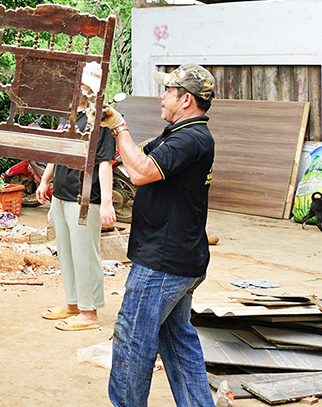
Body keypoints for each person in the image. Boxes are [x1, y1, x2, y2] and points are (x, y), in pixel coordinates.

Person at [101, 64, 217, 407]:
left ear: (186, 99)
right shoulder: (178, 134)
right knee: (178, 343)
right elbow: (131, 160)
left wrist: (120, 126)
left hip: (163, 264)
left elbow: (140, 172)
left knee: (132, 340)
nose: (161, 97)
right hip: (179, 259)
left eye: (168, 91)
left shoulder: (190, 139)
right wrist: (109, 128)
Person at [36, 62, 117, 331]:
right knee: (67, 253)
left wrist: (106, 203)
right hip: (62, 192)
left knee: (85, 255)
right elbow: (57, 150)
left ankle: (89, 313)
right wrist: (46, 180)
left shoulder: (101, 118)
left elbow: (105, 162)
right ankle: (73, 303)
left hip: (85, 197)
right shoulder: (69, 114)